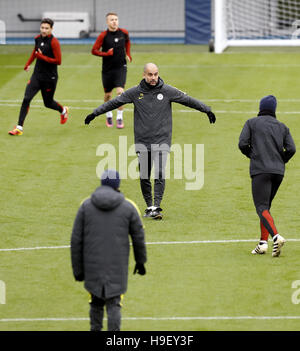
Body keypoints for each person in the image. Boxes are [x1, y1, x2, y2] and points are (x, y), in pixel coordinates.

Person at [84, 63, 216, 220]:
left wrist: (206, 109)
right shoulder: (134, 93)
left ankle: (157, 206)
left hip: (162, 140)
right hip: (143, 141)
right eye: (150, 75)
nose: (153, 78)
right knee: (144, 175)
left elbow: (188, 100)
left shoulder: (167, 91)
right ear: (144, 75)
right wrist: (94, 113)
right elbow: (114, 103)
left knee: (159, 172)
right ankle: (149, 206)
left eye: (155, 74)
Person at [71, 169, 147, 331]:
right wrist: (140, 261)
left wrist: (77, 269)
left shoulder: (86, 206)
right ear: (117, 184)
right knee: (114, 303)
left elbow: (76, 240)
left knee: (96, 303)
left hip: (92, 266)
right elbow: (138, 236)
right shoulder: (128, 207)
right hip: (117, 265)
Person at [238, 95, 296, 257]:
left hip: (260, 171)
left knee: (261, 207)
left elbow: (242, 144)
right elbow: (291, 149)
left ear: (260, 107)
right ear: (274, 109)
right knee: (266, 208)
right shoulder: (282, 127)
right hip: (278, 172)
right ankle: (263, 244)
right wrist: (280, 161)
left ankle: (276, 237)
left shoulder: (252, 123)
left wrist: (253, 155)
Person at [8, 18, 69, 136]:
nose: (44, 30)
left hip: (50, 78)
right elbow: (35, 52)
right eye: (42, 28)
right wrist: (28, 63)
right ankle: (19, 128)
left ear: (51, 29)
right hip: (37, 76)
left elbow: (58, 61)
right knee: (26, 99)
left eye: (46, 28)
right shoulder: (37, 39)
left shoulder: (54, 42)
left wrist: (42, 57)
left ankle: (63, 110)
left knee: (48, 103)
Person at [91, 12, 132, 129]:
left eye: (116, 19)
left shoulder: (124, 33)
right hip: (107, 70)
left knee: (120, 92)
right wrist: (106, 54)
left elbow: (128, 42)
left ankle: (119, 117)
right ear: (107, 22)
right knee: (108, 95)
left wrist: (128, 54)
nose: (114, 21)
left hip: (121, 68)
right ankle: (108, 114)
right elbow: (94, 50)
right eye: (112, 20)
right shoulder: (103, 36)